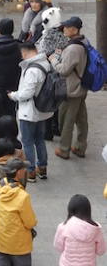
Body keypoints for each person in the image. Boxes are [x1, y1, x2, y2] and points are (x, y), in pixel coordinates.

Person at [51, 15, 90, 159]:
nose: (64, 29)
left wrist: (54, 60)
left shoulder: (73, 48)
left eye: (66, 27)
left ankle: (64, 149)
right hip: (81, 87)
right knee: (81, 119)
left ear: (74, 30)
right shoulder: (83, 41)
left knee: (66, 120)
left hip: (71, 89)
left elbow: (64, 70)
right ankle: (80, 147)